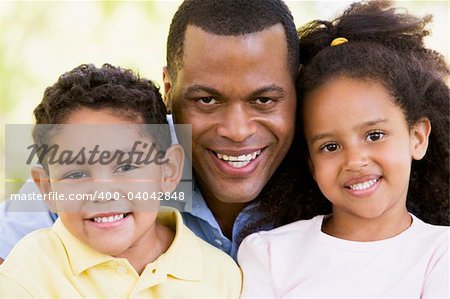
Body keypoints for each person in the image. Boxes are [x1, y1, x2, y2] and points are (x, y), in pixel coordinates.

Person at [1, 0, 321, 264]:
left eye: (263, 100)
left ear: (297, 86)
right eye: (207, 100)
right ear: (169, 89)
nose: (237, 131)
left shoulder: (331, 168)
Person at [238, 1, 449, 297]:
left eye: (374, 135)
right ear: (311, 164)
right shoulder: (268, 254)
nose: (355, 160)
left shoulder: (441, 254)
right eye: (331, 146)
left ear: (417, 137)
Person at [0, 64, 241, 298]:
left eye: (126, 166)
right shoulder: (27, 273)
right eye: (77, 174)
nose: (103, 194)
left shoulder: (221, 276)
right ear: (47, 188)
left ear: (168, 171)